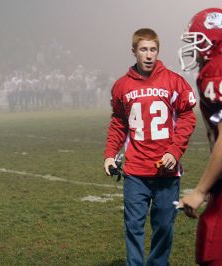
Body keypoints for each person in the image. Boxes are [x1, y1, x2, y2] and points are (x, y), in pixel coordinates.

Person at [103, 28, 197, 266]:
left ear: (158, 51)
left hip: (166, 171)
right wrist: (110, 155)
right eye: (143, 49)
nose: (149, 55)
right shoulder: (122, 86)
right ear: (134, 51)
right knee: (133, 226)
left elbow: (187, 117)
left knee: (164, 226)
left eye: (153, 49)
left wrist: (174, 152)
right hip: (135, 171)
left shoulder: (174, 81)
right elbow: (118, 122)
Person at [177, 8, 222, 266]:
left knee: (212, 250)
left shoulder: (216, 70)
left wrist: (201, 189)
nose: (194, 49)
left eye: (197, 41)